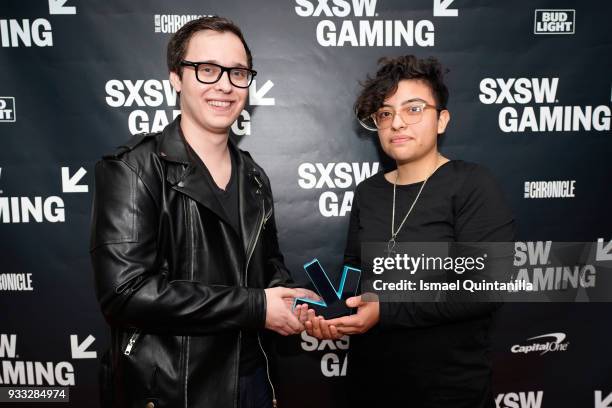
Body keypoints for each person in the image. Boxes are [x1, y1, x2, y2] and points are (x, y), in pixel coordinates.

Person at [90, 16, 315, 408]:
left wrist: (297, 305)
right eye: (207, 70)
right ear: (176, 77)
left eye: (238, 72)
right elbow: (125, 293)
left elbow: (268, 266)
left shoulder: (254, 175)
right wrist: (258, 307)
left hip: (253, 379)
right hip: (175, 390)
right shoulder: (133, 168)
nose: (225, 85)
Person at [303, 55, 515, 407]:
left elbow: (484, 289)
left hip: (449, 392)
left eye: (413, 109)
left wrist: (385, 310)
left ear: (441, 120)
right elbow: (355, 273)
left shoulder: (472, 184)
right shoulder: (368, 193)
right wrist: (331, 314)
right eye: (385, 114)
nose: (397, 123)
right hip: (370, 386)